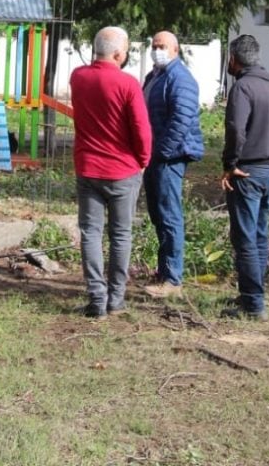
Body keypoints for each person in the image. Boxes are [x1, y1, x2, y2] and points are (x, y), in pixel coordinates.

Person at [70, 26, 152, 319]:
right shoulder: (128, 84)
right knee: (121, 234)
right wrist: (143, 160)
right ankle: (116, 298)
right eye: (127, 50)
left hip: (89, 168)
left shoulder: (78, 78)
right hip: (122, 170)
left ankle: (96, 298)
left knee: (90, 234)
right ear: (118, 53)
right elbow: (141, 129)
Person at [221, 33, 269, 320]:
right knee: (259, 235)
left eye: (229, 58)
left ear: (234, 59)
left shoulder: (242, 88)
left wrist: (230, 163)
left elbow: (236, 128)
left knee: (245, 237)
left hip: (246, 169)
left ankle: (253, 303)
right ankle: (253, 295)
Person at [142, 30, 204, 298]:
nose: (157, 50)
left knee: (169, 216)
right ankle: (164, 272)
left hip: (170, 157)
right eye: (154, 45)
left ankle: (173, 280)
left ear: (175, 50)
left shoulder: (181, 78)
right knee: (158, 215)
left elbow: (182, 118)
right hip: (155, 156)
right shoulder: (155, 75)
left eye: (163, 46)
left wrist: (163, 152)